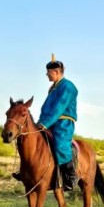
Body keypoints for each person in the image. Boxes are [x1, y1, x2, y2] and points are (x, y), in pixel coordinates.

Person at [12, 56, 79, 191]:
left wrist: (45, 123)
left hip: (63, 123)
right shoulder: (52, 88)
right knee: (32, 142)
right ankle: (27, 171)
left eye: (48, 72)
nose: (46, 74)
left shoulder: (68, 86)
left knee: (60, 144)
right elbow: (46, 108)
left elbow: (59, 107)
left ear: (56, 72)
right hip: (48, 122)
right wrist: (39, 123)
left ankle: (71, 175)